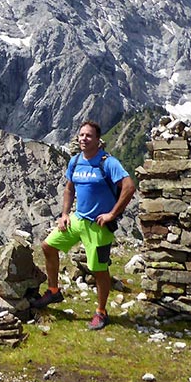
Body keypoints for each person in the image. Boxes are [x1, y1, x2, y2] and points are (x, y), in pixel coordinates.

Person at [32, 120, 136, 330]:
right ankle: (53, 291)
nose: (83, 139)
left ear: (98, 140)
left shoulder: (108, 162)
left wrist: (112, 214)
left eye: (88, 136)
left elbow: (129, 186)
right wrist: (64, 214)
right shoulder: (76, 160)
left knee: (98, 269)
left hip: (98, 226)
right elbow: (69, 189)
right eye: (81, 135)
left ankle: (101, 312)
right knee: (48, 246)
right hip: (77, 219)